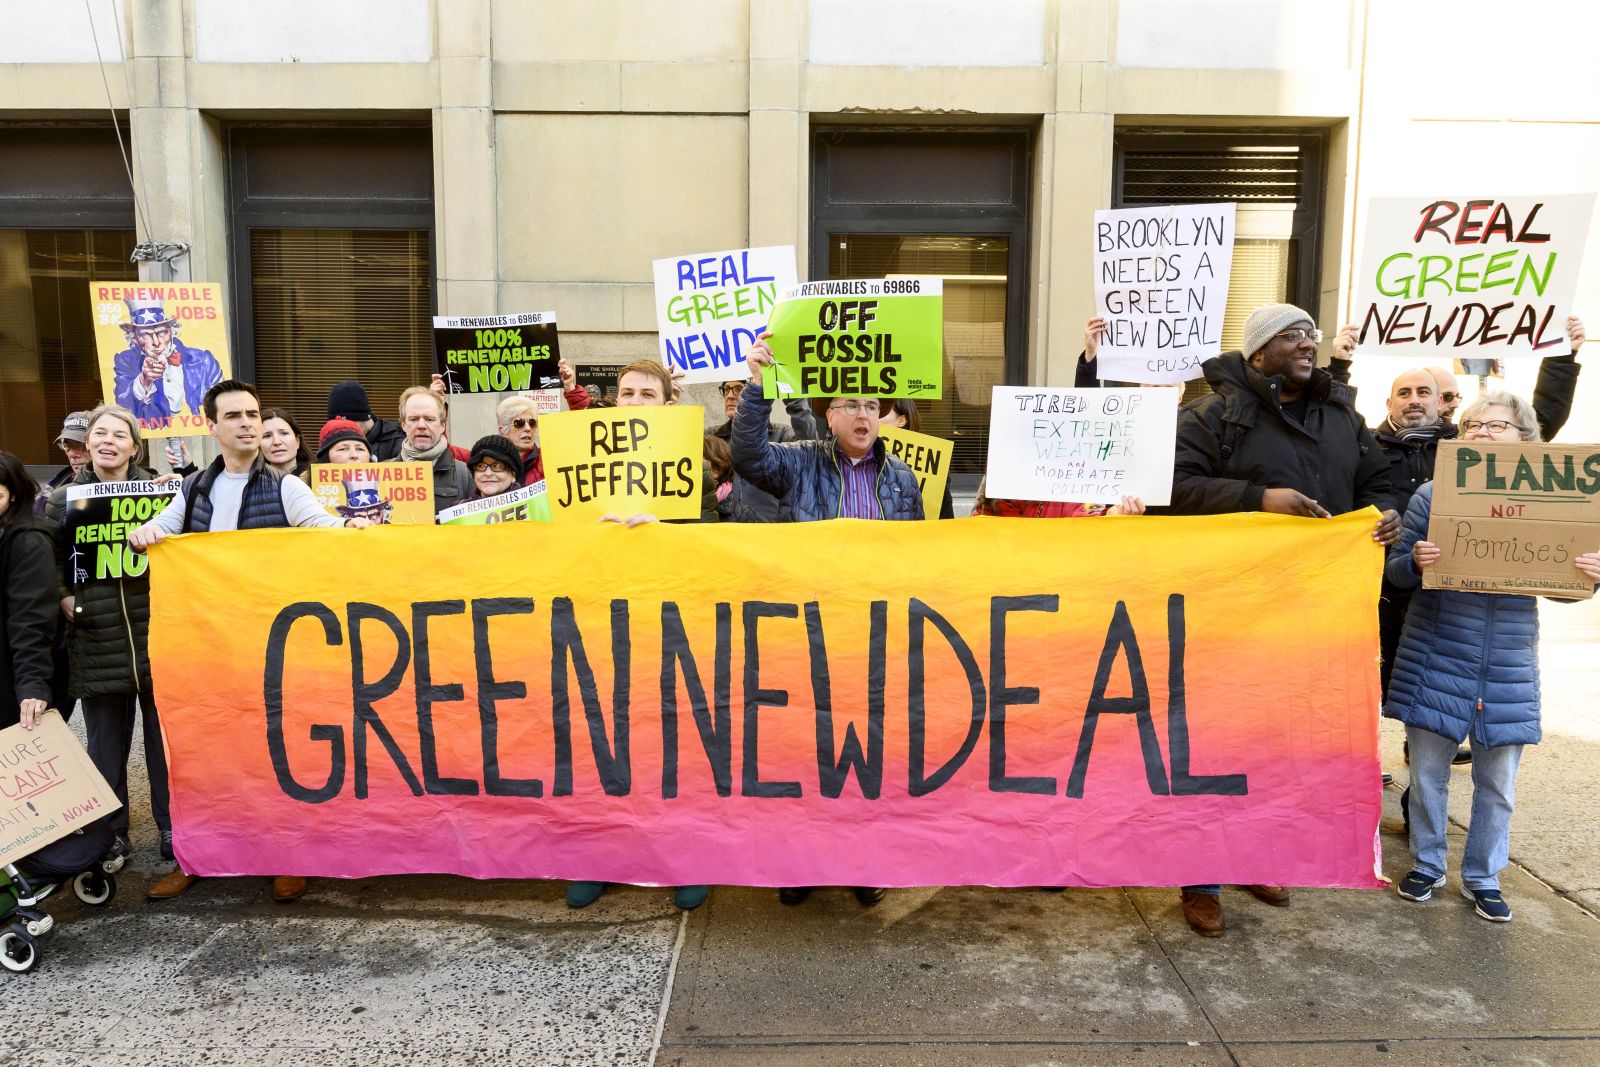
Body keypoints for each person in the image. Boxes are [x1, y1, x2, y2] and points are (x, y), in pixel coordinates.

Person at [1167, 303, 1399, 937]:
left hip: (1312, 613)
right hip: (1226, 611)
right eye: (1291, 335)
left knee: (1280, 743)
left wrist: (1388, 515)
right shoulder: (1210, 415)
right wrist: (1257, 499)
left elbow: (1381, 484)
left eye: (1310, 335)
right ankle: (1201, 878)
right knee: (1214, 745)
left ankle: (1257, 857)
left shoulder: (1341, 417)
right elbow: (1173, 491)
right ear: (1258, 351)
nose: (1306, 344)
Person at [129, 380, 370, 903]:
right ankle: (200, 857)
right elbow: (157, 530)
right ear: (212, 426)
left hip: (271, 648)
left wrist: (349, 529)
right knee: (206, 754)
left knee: (276, 753)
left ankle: (287, 857)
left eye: (253, 414)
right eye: (234, 415)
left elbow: (321, 528)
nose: (247, 424)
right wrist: (145, 535)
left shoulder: (286, 487)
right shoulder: (194, 489)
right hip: (209, 648)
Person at [1385, 391, 1600, 923]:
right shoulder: (1433, 494)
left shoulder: (1554, 501)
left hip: (1506, 664)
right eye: (1473, 425)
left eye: (1496, 425)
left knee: (1498, 783)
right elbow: (1394, 572)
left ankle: (1483, 876)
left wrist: (1588, 576)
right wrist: (1414, 561)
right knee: (1428, 774)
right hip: (1435, 654)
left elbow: (1563, 586)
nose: (1481, 432)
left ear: (1525, 438)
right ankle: (1428, 864)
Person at [733, 335, 921, 909]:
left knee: (869, 755)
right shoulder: (799, 461)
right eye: (851, 405)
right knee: (806, 752)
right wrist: (758, 387)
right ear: (829, 416)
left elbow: (921, 558)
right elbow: (748, 456)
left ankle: (866, 861)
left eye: (872, 405)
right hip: (811, 631)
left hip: (875, 636)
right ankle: (802, 862)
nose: (864, 414)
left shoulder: (903, 479)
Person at [566, 361, 717, 913]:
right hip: (599, 628)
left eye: (646, 394)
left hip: (670, 628)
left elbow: (715, 545)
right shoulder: (578, 462)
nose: (633, 401)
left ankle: (686, 859)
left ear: (666, 404)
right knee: (602, 745)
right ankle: (601, 858)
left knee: (676, 748)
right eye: (626, 392)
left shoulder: (694, 469)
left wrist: (667, 533)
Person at [45, 406, 176, 863]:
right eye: (100, 433)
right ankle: (110, 834)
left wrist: (176, 491)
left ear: (134, 447)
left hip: (155, 630)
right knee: (104, 745)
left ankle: (172, 827)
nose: (108, 441)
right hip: (96, 635)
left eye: (119, 435)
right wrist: (63, 595)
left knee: (165, 742)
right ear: (88, 444)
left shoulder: (162, 492)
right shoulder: (62, 501)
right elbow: (49, 559)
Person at [0, 452, 58, 733]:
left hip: (10, 678)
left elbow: (32, 618)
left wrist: (32, 684)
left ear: (13, 495)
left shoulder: (29, 541)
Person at [709, 377, 818, 522]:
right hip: (723, 530)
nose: (730, 396)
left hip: (769, 529)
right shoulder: (712, 437)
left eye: (738, 389)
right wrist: (675, 403)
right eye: (726, 389)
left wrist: (794, 399)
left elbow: (810, 448)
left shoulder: (781, 435)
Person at [111, 297, 224, 423]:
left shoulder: (203, 361)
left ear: (172, 331)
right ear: (134, 338)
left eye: (162, 332)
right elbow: (122, 409)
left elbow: (223, 403)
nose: (156, 342)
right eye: (145, 334)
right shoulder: (125, 362)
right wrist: (144, 380)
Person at [392, 386, 471, 515]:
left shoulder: (464, 474)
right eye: (413, 419)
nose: (421, 425)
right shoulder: (383, 474)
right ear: (403, 425)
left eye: (429, 419)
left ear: (442, 426)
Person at [878, 398, 956, 519]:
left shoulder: (931, 465)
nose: (871, 416)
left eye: (881, 410)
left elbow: (944, 519)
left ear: (901, 420)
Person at [327, 379, 407, 461]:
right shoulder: (332, 440)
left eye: (346, 426)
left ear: (360, 418)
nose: (342, 432)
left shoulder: (398, 443)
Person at [34, 411, 92, 512]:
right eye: (67, 445)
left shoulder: (117, 486)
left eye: (80, 445)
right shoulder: (55, 487)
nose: (71, 454)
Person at [466, 435, 525, 499]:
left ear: (513, 475)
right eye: (481, 466)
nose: (488, 473)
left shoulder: (531, 503)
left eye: (497, 466)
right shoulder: (460, 505)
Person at [260, 407, 311, 481]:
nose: (277, 442)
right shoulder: (252, 482)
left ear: (297, 440)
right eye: (267, 436)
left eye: (284, 433)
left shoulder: (317, 478)